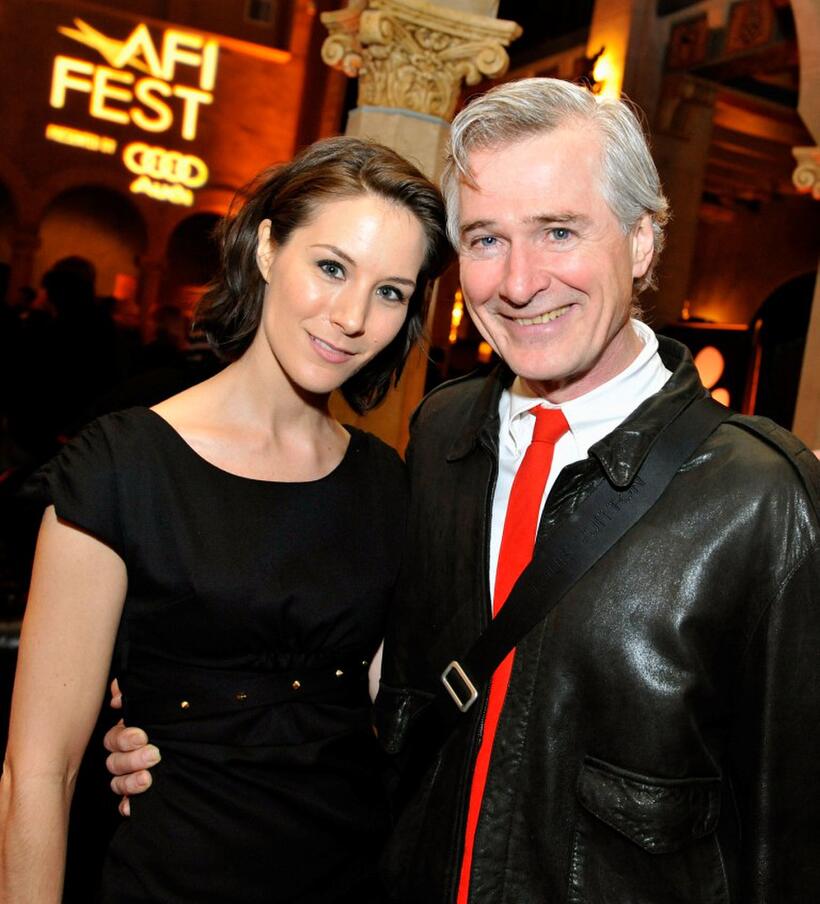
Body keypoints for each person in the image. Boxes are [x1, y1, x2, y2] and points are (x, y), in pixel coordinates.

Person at [103, 79, 820, 902]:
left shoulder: (765, 499)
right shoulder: (441, 433)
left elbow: (790, 841)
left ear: (643, 242)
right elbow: (357, 664)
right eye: (484, 240)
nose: (517, 283)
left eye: (558, 231)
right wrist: (184, 729)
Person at [0, 135, 452, 904]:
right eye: (332, 266)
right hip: (172, 877)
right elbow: (37, 773)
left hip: (353, 875)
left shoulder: (385, 483)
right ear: (271, 248)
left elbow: (389, 714)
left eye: (390, 292)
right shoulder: (124, 468)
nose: (350, 317)